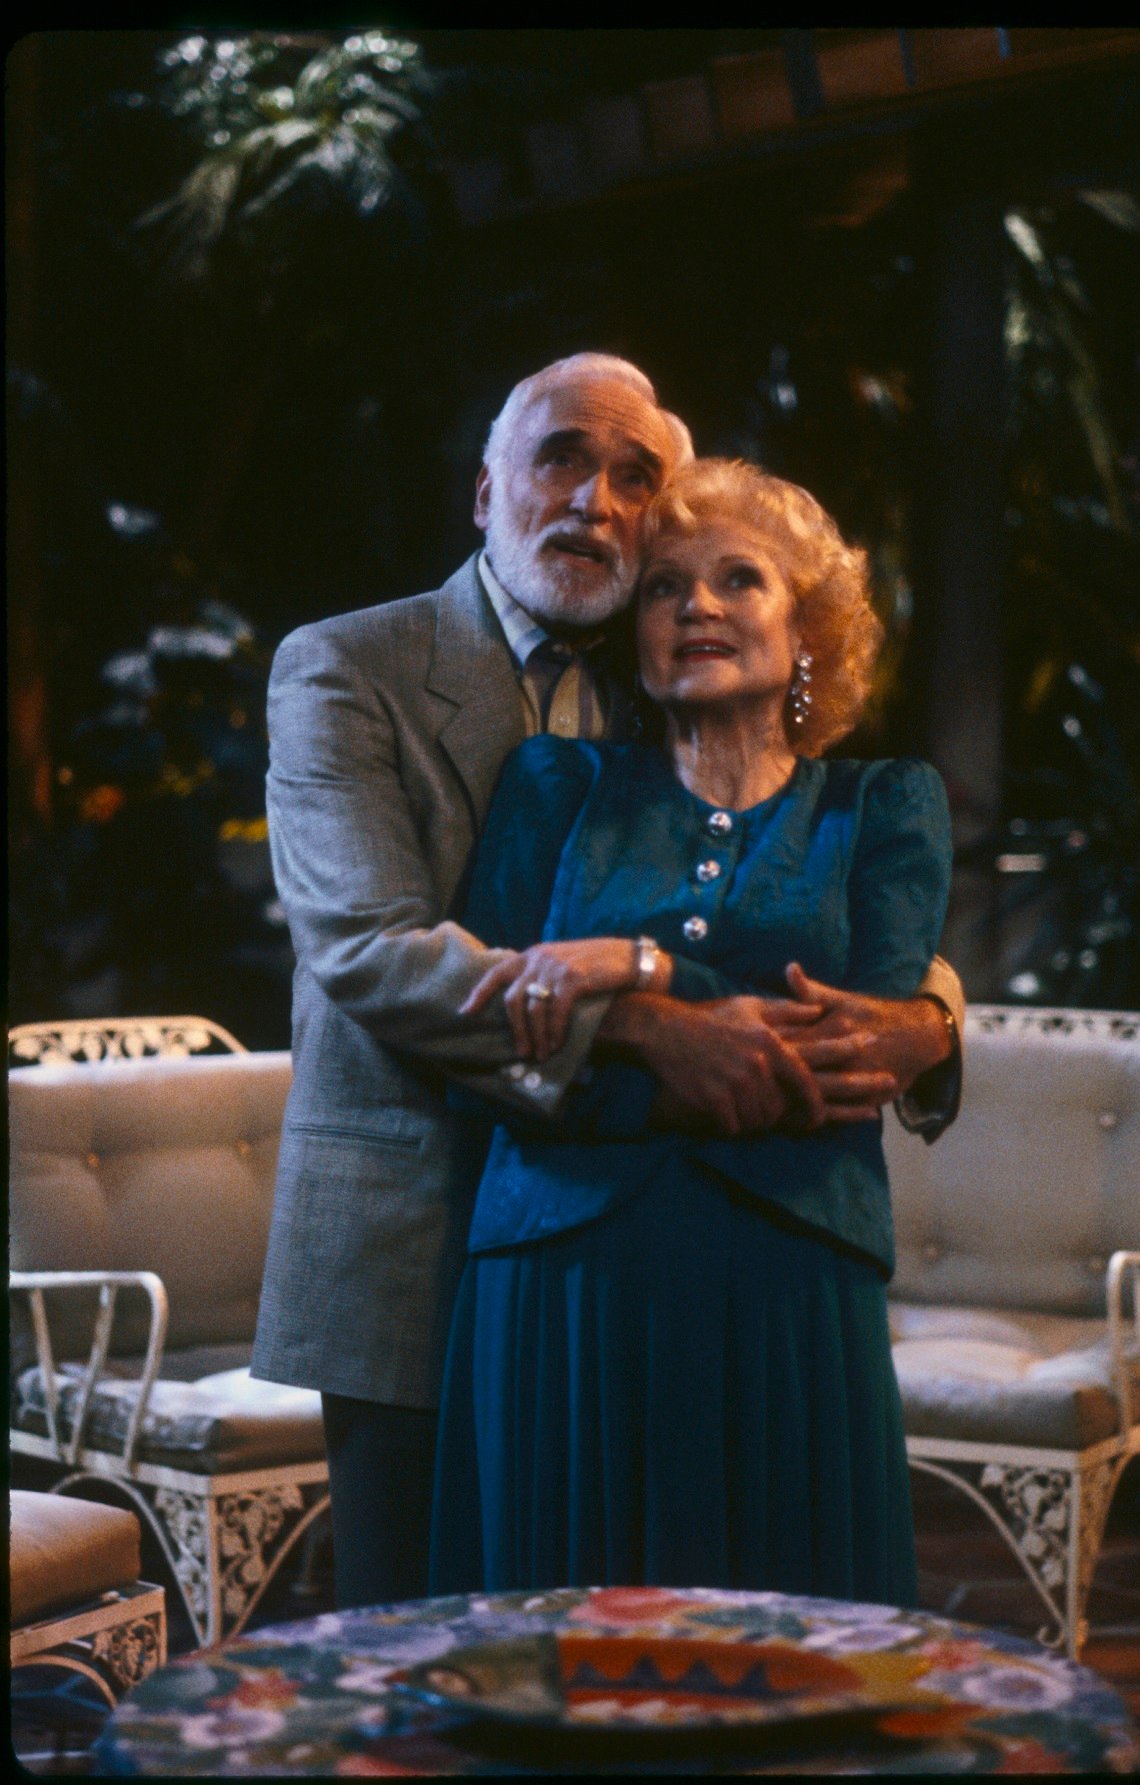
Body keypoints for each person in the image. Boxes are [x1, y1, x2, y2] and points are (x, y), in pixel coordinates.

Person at [251, 355, 963, 1608]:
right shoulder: (348, 665)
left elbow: (788, 895)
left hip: (659, 1232)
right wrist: (644, 1018)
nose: (594, 499)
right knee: (417, 1652)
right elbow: (370, 947)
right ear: (486, 490)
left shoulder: (663, 692)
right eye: (561, 458)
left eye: (636, 476)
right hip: (418, 1230)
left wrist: (931, 1016)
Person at [428, 458, 952, 1604]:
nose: (698, 607)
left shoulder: (884, 809)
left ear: (805, 629)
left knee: (796, 1658)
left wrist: (632, 977)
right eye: (665, 588)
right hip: (559, 1271)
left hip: (787, 1277)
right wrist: (679, 1037)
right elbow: (477, 1047)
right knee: (552, 1646)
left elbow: (844, 1061)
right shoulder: (553, 786)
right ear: (638, 633)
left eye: (739, 580)